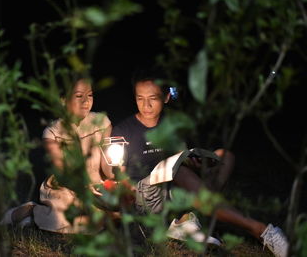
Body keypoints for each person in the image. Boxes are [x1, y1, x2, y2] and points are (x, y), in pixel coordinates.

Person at [108, 75, 289, 257]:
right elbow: (115, 173)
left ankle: (186, 220)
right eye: (140, 98)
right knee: (178, 172)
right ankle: (259, 229)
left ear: (166, 97)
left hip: (174, 187)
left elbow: (181, 157)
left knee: (225, 156)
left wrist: (196, 164)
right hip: (146, 196)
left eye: (152, 98)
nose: (146, 105)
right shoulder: (124, 131)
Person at [0, 77, 112, 233]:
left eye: (90, 95)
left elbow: (107, 164)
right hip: (67, 187)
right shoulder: (53, 132)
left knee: (115, 213)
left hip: (95, 186)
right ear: (63, 100)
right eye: (79, 96)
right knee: (66, 217)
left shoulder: (102, 122)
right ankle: (31, 211)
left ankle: (38, 221)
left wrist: (115, 174)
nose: (86, 101)